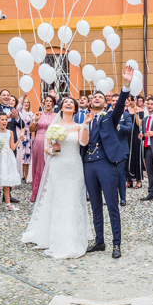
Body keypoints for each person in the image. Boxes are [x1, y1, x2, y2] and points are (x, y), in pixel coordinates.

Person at [22, 97, 93, 259]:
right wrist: (53, 150)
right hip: (58, 166)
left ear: (75, 109)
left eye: (71, 103)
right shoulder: (54, 126)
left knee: (73, 200)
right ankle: (56, 236)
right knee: (58, 199)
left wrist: (86, 124)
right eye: (65, 103)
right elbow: (46, 148)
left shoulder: (78, 126)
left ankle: (73, 236)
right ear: (61, 107)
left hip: (74, 167)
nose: (68, 104)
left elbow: (83, 143)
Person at [82, 66, 135, 259]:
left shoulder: (109, 118)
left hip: (106, 163)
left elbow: (120, 104)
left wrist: (126, 84)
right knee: (95, 204)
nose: (96, 98)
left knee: (112, 204)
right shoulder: (84, 119)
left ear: (105, 104)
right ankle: (99, 241)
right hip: (88, 163)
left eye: (100, 97)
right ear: (89, 103)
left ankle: (116, 244)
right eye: (93, 97)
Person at [0, 112, 23, 212]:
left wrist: (19, 139)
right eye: (2, 119)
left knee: (7, 181)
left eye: (6, 119)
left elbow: (13, 147)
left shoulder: (10, 132)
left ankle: (8, 204)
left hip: (7, 157)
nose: (4, 121)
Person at [29, 95, 57, 201]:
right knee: (38, 166)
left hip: (50, 141)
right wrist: (35, 120)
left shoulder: (56, 115)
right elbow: (31, 129)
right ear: (43, 103)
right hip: (39, 141)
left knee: (49, 165)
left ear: (53, 104)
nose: (48, 103)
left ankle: (49, 192)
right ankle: (37, 193)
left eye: (50, 101)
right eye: (46, 101)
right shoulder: (39, 114)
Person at [116, 101, 134, 206]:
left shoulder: (126, 116)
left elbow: (129, 129)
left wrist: (118, 126)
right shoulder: (107, 115)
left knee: (120, 174)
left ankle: (122, 198)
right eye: (114, 101)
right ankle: (112, 198)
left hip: (122, 148)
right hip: (109, 149)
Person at [126, 97, 144, 189]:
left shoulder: (140, 110)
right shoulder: (125, 110)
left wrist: (136, 114)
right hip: (127, 136)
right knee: (128, 157)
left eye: (131, 100)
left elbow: (139, 123)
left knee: (137, 156)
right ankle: (129, 179)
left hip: (136, 136)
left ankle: (139, 180)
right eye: (128, 100)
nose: (130, 102)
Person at [16, 95, 34, 181]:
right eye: (25, 102)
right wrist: (23, 97)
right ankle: (22, 174)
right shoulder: (20, 111)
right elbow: (19, 106)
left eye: (27, 102)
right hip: (22, 133)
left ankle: (27, 175)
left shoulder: (31, 113)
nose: (26, 104)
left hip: (29, 135)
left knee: (28, 155)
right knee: (22, 154)